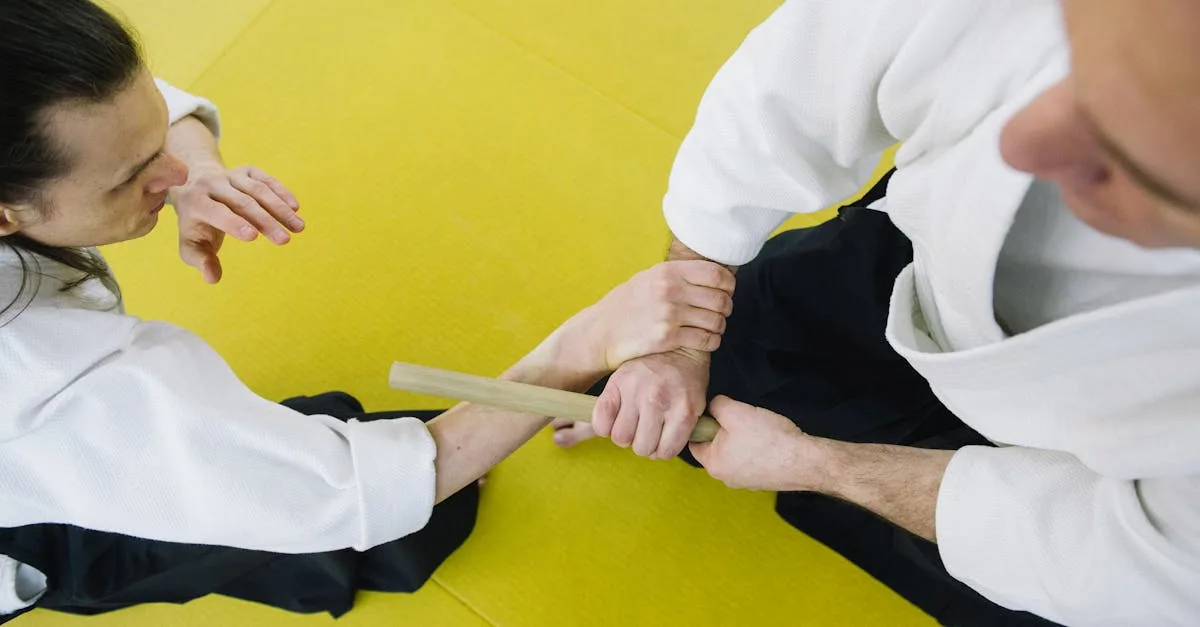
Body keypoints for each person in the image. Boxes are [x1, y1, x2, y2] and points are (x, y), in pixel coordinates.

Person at [0, 0, 736, 620]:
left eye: (158, 134)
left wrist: (198, 169)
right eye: (134, 176)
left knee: (325, 462)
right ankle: (352, 557)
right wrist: (581, 347)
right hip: (32, 530)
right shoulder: (46, 388)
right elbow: (332, 491)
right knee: (164, 549)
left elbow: (107, 119)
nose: (171, 170)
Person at [552, 0, 1200, 625]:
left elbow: (1142, 556)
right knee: (729, 362)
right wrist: (677, 342)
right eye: (1076, 71)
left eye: (1124, 157)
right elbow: (796, 82)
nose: (1018, 142)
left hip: (1099, 466)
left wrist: (815, 465)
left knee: (1030, 595)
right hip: (929, 252)